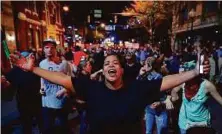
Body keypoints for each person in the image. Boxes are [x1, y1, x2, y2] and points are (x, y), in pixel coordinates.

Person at [10, 52, 210, 134]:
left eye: (115, 63)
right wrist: (33, 68)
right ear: (103, 70)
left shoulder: (136, 88)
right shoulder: (91, 88)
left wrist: (194, 72)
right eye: (107, 64)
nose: (111, 66)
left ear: (122, 70)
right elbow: (62, 79)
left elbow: (166, 81)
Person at [171, 61, 222, 134]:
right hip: (185, 123)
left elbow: (220, 100)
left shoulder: (207, 85)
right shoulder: (183, 82)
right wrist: (173, 96)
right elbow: (174, 90)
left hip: (201, 124)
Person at [3, 51, 43, 134]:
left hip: (38, 101)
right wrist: (4, 83)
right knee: (26, 125)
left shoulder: (37, 70)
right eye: (25, 58)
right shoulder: (15, 71)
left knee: (41, 124)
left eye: (29, 58)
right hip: (23, 103)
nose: (28, 59)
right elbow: (8, 84)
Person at [39, 38, 71, 134]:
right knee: (48, 127)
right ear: (43, 49)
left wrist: (64, 90)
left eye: (52, 47)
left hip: (60, 101)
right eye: (47, 47)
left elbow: (71, 81)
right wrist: (41, 87)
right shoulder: (42, 64)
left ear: (55, 49)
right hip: (46, 101)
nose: (49, 50)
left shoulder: (64, 64)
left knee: (63, 127)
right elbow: (42, 77)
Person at [137, 57, 174, 134]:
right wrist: (140, 75)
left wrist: (160, 102)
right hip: (149, 109)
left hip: (160, 109)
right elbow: (136, 87)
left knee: (161, 132)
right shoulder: (144, 76)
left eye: (145, 65)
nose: (143, 67)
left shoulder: (158, 77)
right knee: (148, 131)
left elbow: (166, 94)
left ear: (150, 66)